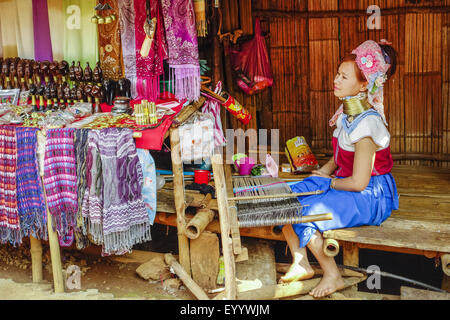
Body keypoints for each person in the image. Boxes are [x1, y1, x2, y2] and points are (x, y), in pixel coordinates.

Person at [280, 40, 399, 298]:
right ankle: (301, 263)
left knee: (304, 211)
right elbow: (339, 156)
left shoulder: (367, 126)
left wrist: (329, 183)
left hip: (370, 195)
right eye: (337, 73)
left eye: (343, 77)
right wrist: (323, 172)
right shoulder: (348, 115)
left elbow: (358, 182)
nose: (336, 80)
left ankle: (332, 275)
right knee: (287, 195)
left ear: (364, 84)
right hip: (347, 183)